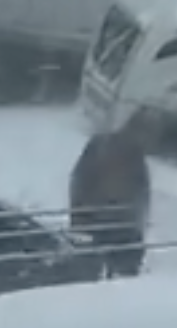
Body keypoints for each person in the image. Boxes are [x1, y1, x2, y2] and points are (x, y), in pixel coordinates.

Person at [68, 110, 158, 278]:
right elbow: (81, 182)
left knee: (125, 271)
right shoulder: (101, 148)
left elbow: (141, 193)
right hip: (100, 223)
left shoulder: (135, 156)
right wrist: (80, 218)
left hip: (123, 227)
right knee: (91, 274)